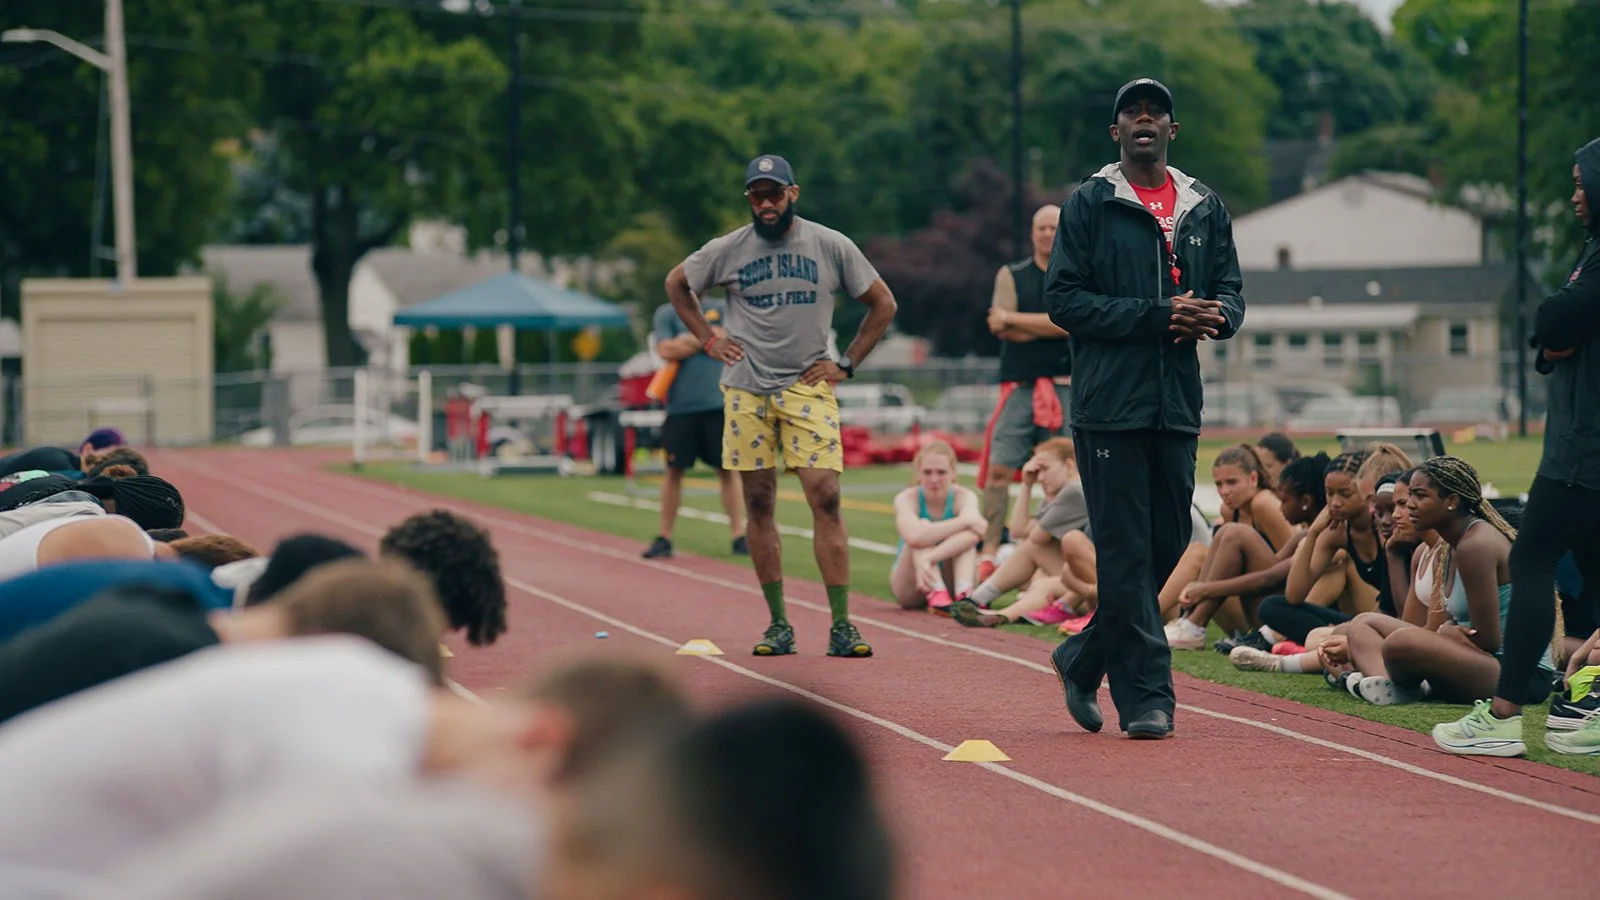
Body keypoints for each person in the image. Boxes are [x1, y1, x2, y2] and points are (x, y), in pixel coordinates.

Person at [1043, 77, 1245, 740]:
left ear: (1172, 129)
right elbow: (1065, 302)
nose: (1144, 120)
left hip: (1176, 405)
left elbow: (1232, 295)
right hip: (1109, 405)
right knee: (1126, 551)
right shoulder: (1090, 204)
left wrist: (1215, 317)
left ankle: (1083, 654)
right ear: (1116, 131)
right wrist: (1158, 316)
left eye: (1155, 112)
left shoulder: (1204, 206)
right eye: (1132, 112)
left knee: (1161, 548)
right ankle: (1148, 698)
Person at [664, 154, 897, 659]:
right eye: (756, 195)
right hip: (746, 388)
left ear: (794, 193)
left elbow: (883, 303)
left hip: (807, 384)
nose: (765, 203)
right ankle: (778, 624)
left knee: (826, 493)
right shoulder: (728, 248)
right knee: (759, 502)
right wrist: (708, 339)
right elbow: (676, 283)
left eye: (774, 193)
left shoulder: (830, 244)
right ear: (749, 199)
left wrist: (847, 363)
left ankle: (841, 625)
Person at [1433, 136, 1600, 757]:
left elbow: (1553, 320)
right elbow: (1552, 338)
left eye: (1584, 184)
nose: (1575, 195)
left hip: (1583, 447)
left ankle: (1504, 716)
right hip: (1584, 441)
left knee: (1530, 559)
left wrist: (1558, 338)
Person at [976, 204, 1074, 580]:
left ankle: (1059, 544)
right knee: (999, 468)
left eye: (1054, 227)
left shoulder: (1077, 273)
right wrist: (1050, 324)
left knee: (1066, 473)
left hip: (1066, 386)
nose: (1048, 234)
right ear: (1032, 233)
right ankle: (990, 548)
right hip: (1021, 386)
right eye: (1041, 228)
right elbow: (999, 329)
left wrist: (1016, 319)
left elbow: (1071, 324)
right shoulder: (1012, 274)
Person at [642, 297, 748, 560]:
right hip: (681, 407)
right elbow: (665, 350)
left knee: (727, 471)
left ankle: (739, 534)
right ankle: (665, 536)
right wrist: (708, 338)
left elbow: (733, 342)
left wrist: (689, 341)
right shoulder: (667, 312)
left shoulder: (723, 308)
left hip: (719, 403)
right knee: (674, 471)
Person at [890, 440, 986, 611]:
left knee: (967, 539)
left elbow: (979, 532)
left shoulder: (964, 496)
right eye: (927, 472)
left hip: (950, 576)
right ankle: (937, 591)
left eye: (941, 472)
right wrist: (963, 521)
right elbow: (914, 537)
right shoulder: (907, 498)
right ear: (918, 473)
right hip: (913, 582)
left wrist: (929, 558)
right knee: (922, 533)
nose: (934, 479)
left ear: (953, 472)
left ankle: (965, 593)